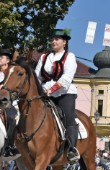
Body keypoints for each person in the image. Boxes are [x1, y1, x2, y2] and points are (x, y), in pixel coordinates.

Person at [34, 29, 79, 162]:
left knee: (69, 117)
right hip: (45, 91)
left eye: (57, 39)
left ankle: (72, 148)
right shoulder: (44, 57)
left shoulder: (69, 56)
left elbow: (66, 78)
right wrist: (39, 89)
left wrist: (51, 90)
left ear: (64, 42)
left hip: (64, 92)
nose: (54, 41)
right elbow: (37, 76)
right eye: (52, 39)